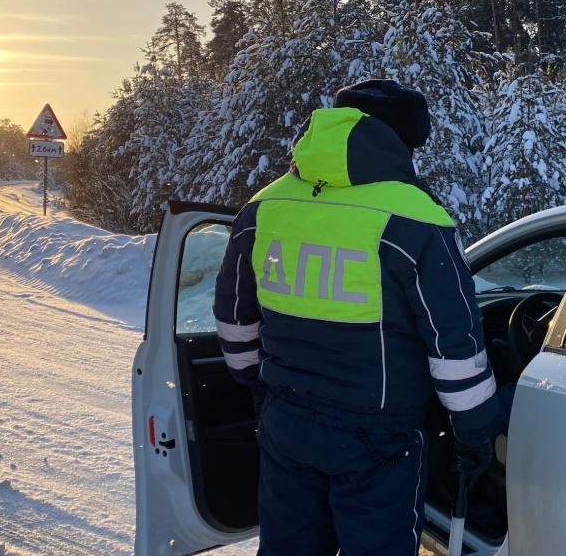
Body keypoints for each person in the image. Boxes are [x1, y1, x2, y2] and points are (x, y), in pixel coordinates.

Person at [213, 79, 498, 556]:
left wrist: (258, 386)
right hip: (378, 439)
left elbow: (234, 318)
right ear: (403, 141)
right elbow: (455, 348)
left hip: (287, 421)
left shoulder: (265, 206)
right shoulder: (417, 219)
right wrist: (476, 433)